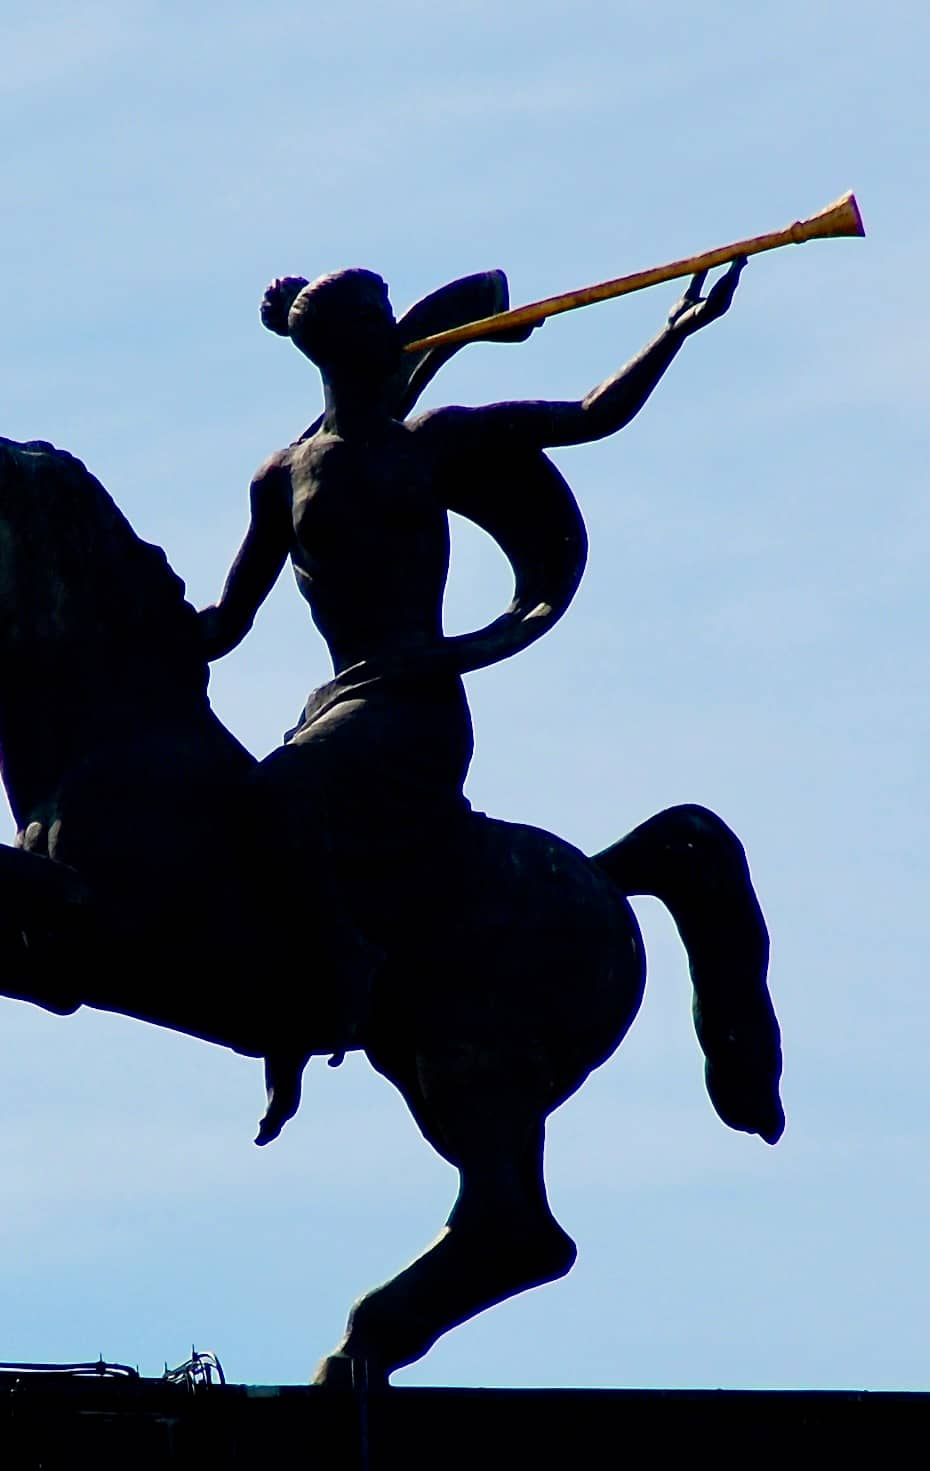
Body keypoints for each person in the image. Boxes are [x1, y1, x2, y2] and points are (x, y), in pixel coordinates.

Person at [198, 260, 744, 1139]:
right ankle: (298, 998)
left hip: (414, 701)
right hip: (337, 702)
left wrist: (675, 330)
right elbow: (226, 621)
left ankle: (334, 978)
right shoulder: (282, 478)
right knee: (244, 811)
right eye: (379, 316)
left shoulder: (433, 442)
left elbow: (587, 417)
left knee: (283, 792)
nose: (394, 326)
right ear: (342, 344)